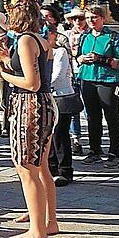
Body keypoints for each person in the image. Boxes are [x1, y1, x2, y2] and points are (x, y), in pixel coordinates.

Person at [0, 0, 58, 238]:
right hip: (44, 104)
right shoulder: (40, 40)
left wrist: (1, 72)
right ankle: (47, 221)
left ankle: (38, 233)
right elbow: (33, 75)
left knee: (26, 168)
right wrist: (5, 59)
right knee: (41, 167)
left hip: (30, 106)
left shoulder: (25, 40)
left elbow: (31, 83)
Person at [77, 5, 119, 168]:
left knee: (112, 116)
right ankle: (95, 150)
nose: (91, 20)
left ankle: (114, 153)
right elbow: (77, 57)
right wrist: (81, 59)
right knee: (92, 117)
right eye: (89, 17)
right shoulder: (84, 36)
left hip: (107, 80)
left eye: (95, 17)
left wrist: (101, 59)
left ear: (103, 18)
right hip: (87, 79)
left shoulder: (112, 36)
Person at [45, 30, 80, 187]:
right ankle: (51, 167)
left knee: (60, 134)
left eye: (47, 34)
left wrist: (38, 84)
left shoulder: (60, 52)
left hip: (60, 97)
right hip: (46, 96)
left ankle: (65, 169)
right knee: (48, 134)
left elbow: (57, 76)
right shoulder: (39, 52)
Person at [64, 8, 88, 155]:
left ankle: (93, 139)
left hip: (85, 72)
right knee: (73, 109)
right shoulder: (67, 35)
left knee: (87, 108)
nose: (78, 21)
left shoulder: (89, 35)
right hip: (72, 72)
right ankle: (76, 139)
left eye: (81, 18)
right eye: (75, 19)